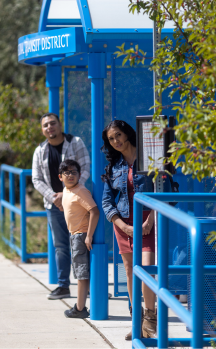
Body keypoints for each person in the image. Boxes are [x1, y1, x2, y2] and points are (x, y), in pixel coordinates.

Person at [101, 120, 157, 341]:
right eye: (111, 139)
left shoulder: (150, 157)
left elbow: (166, 192)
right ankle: (137, 323)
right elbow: (107, 201)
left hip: (147, 222)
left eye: (118, 135)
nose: (116, 141)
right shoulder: (114, 166)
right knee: (129, 270)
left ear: (127, 134)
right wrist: (122, 225)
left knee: (147, 270)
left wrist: (150, 220)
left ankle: (150, 321)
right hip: (124, 224)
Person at [32, 112, 90, 300]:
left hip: (77, 204)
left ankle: (88, 288)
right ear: (42, 130)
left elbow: (86, 167)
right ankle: (63, 286)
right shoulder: (40, 151)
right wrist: (54, 197)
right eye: (45, 125)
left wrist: (65, 194)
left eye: (53, 123)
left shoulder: (76, 142)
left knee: (83, 245)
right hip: (54, 206)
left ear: (59, 124)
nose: (50, 127)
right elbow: (36, 179)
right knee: (61, 246)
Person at [59, 159, 99, 318]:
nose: (70, 175)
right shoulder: (68, 191)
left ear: (80, 175)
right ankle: (83, 303)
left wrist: (88, 236)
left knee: (81, 274)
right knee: (80, 272)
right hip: (74, 234)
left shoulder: (80, 190)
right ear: (60, 177)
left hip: (81, 236)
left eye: (73, 172)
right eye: (66, 173)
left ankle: (80, 308)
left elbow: (94, 211)